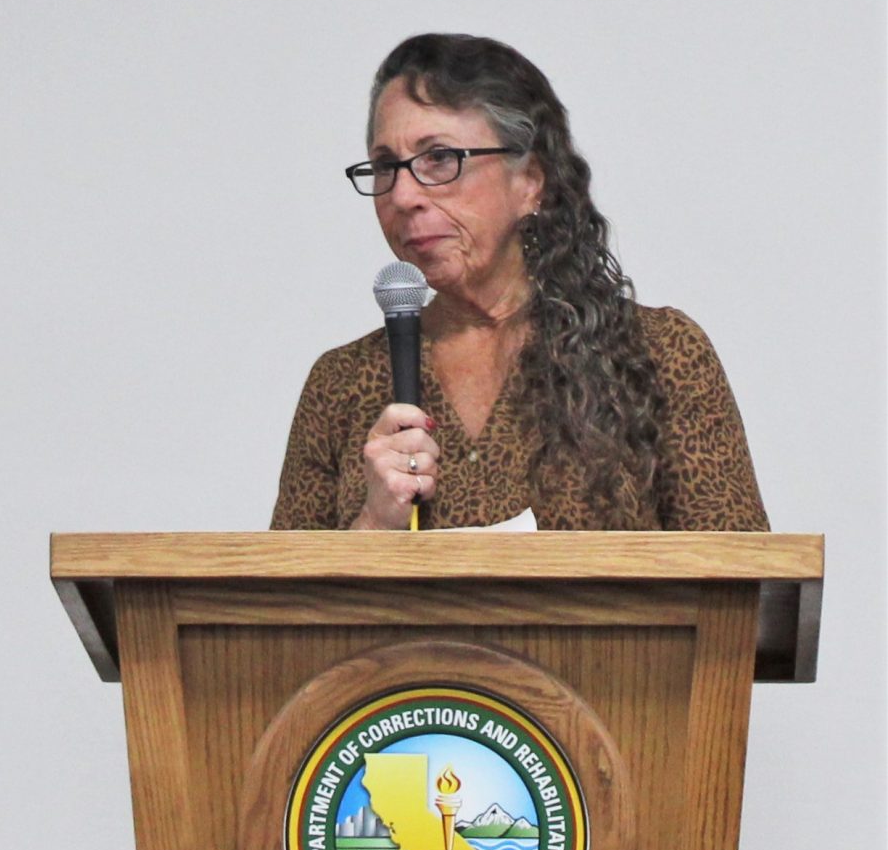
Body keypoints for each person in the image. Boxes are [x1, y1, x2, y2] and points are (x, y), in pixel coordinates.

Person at [271, 33, 768, 533]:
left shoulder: (659, 355)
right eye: (385, 167)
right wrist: (374, 523)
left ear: (530, 180)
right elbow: (274, 607)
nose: (403, 196)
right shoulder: (341, 386)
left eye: (438, 158)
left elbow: (742, 587)